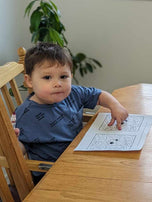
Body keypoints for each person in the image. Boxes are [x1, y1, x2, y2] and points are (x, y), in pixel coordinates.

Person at [15, 43, 128, 183]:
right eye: (47, 78)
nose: (58, 83)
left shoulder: (73, 93)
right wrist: (14, 142)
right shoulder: (27, 113)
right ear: (30, 81)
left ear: (71, 76)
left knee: (120, 171)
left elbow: (99, 95)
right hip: (50, 173)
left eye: (63, 76)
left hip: (80, 158)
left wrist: (114, 105)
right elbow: (22, 148)